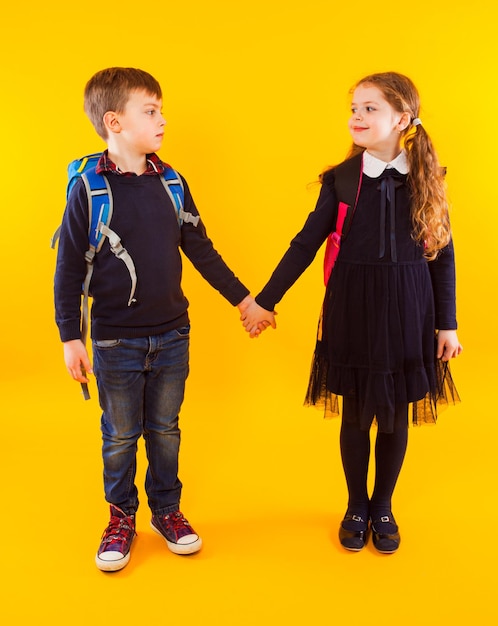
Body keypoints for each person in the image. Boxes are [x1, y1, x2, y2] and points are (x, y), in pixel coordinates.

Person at [241, 72, 462, 554]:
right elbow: (305, 244)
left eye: (369, 109)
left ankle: (384, 505)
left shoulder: (427, 177)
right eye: (354, 108)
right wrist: (265, 300)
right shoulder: (341, 179)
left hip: (410, 309)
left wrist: (448, 322)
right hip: (352, 308)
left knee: (396, 414)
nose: (356, 117)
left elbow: (442, 253)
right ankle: (356, 504)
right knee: (357, 414)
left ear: (402, 119)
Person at [54, 67, 255, 571]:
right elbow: (68, 266)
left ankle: (167, 510)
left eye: (162, 109)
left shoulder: (172, 182)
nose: (163, 119)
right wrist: (69, 337)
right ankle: (121, 517)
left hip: (172, 335)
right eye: (152, 111)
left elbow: (201, 249)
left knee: (165, 428)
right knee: (120, 435)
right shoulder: (90, 190)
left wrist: (244, 299)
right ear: (114, 121)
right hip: (115, 344)